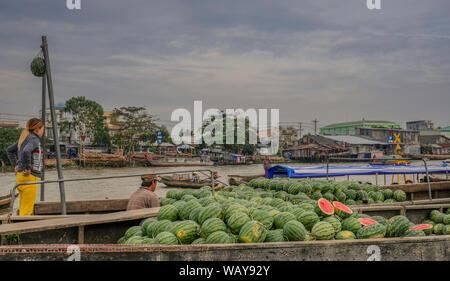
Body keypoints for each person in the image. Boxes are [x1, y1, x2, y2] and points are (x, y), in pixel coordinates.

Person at [6, 118, 44, 216]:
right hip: (29, 178)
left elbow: (9, 150)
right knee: (27, 212)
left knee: (23, 209)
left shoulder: (25, 138)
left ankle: (19, 230)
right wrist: (28, 168)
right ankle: (23, 230)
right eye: (43, 129)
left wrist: (15, 165)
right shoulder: (34, 139)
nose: (43, 132)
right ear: (37, 129)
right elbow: (26, 151)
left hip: (20, 178)